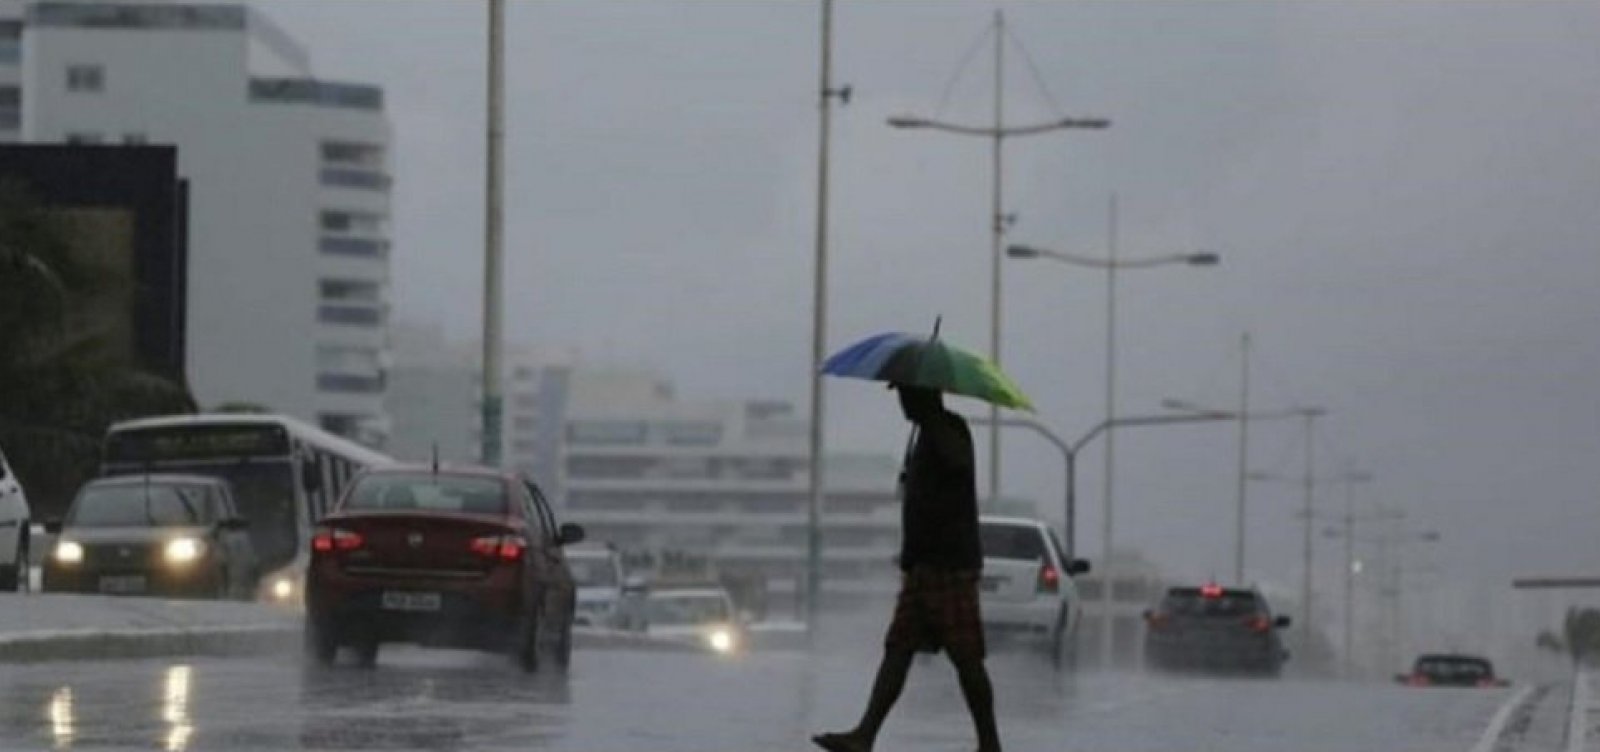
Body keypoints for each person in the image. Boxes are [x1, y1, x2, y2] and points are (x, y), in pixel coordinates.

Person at [814, 384, 1000, 752]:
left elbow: (959, 463)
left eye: (904, 395)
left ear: (923, 396)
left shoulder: (948, 430)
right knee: (897, 649)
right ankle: (865, 734)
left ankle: (990, 743)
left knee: (966, 658)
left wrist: (933, 428)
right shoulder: (925, 437)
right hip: (923, 566)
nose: (900, 403)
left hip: (948, 566)